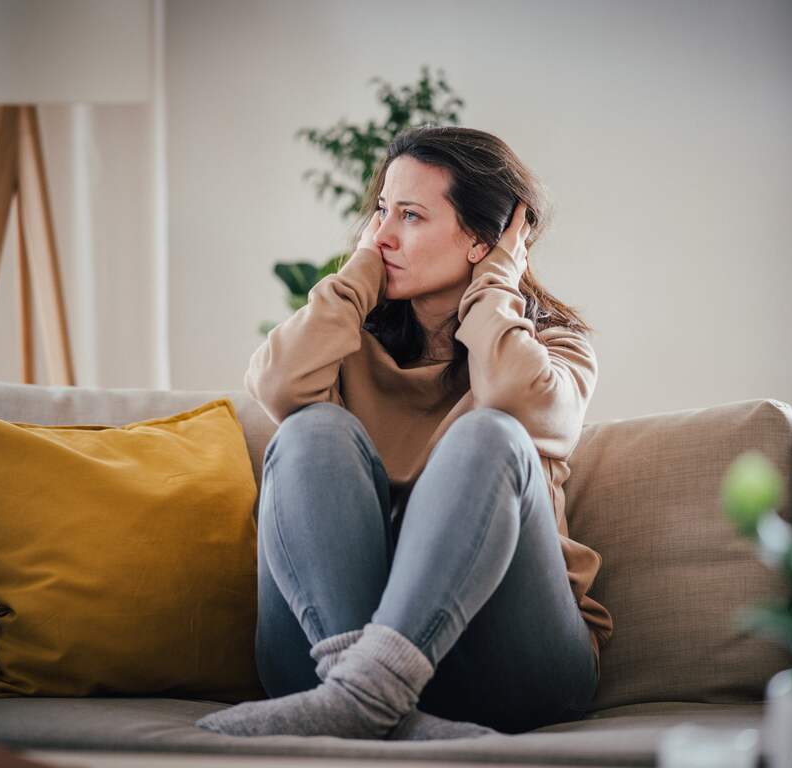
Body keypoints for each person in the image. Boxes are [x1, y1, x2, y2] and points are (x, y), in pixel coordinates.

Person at [196, 125, 613, 741]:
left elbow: (512, 404)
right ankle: (369, 695)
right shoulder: (347, 344)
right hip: (325, 652)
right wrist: (359, 277)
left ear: (482, 241)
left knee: (488, 436)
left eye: (411, 216)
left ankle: (363, 701)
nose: (383, 234)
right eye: (382, 212)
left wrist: (496, 287)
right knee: (312, 430)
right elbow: (278, 384)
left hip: (510, 662)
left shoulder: (553, 350)